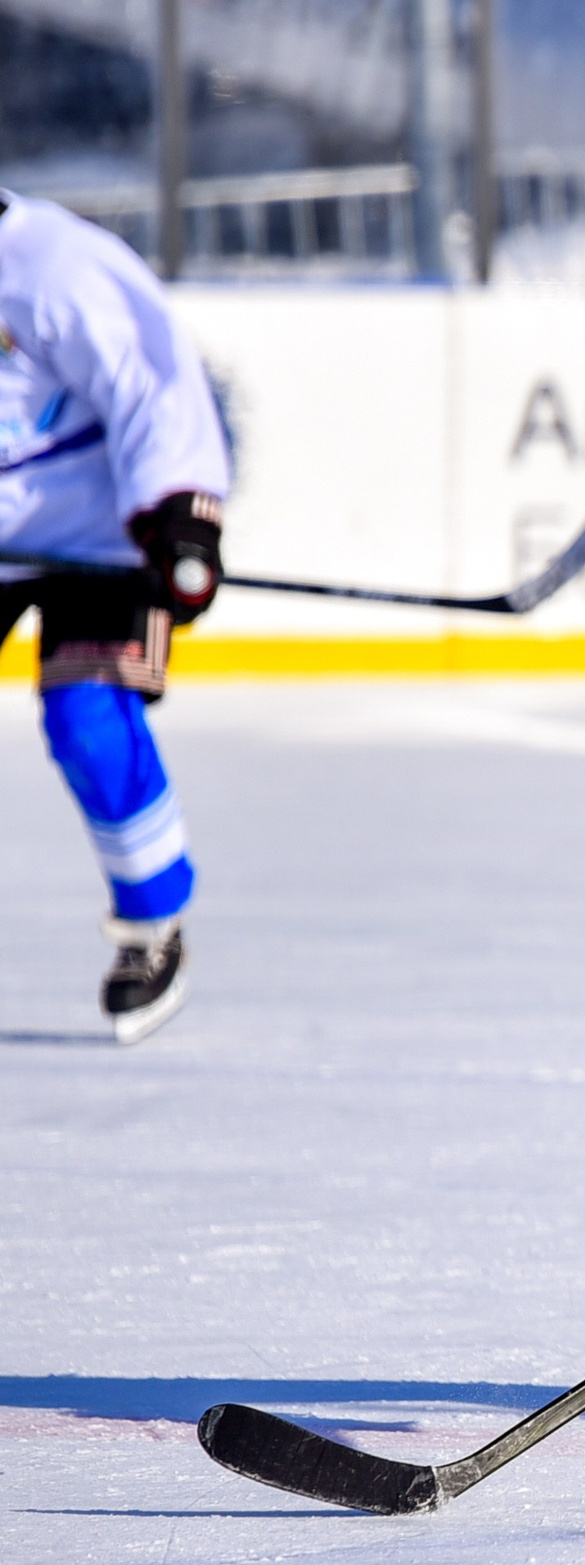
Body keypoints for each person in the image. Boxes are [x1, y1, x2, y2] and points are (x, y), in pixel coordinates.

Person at [0, 190, 228, 1043]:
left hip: (100, 540)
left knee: (89, 718)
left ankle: (152, 926)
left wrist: (181, 519)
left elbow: (154, 390)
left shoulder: (55, 267)